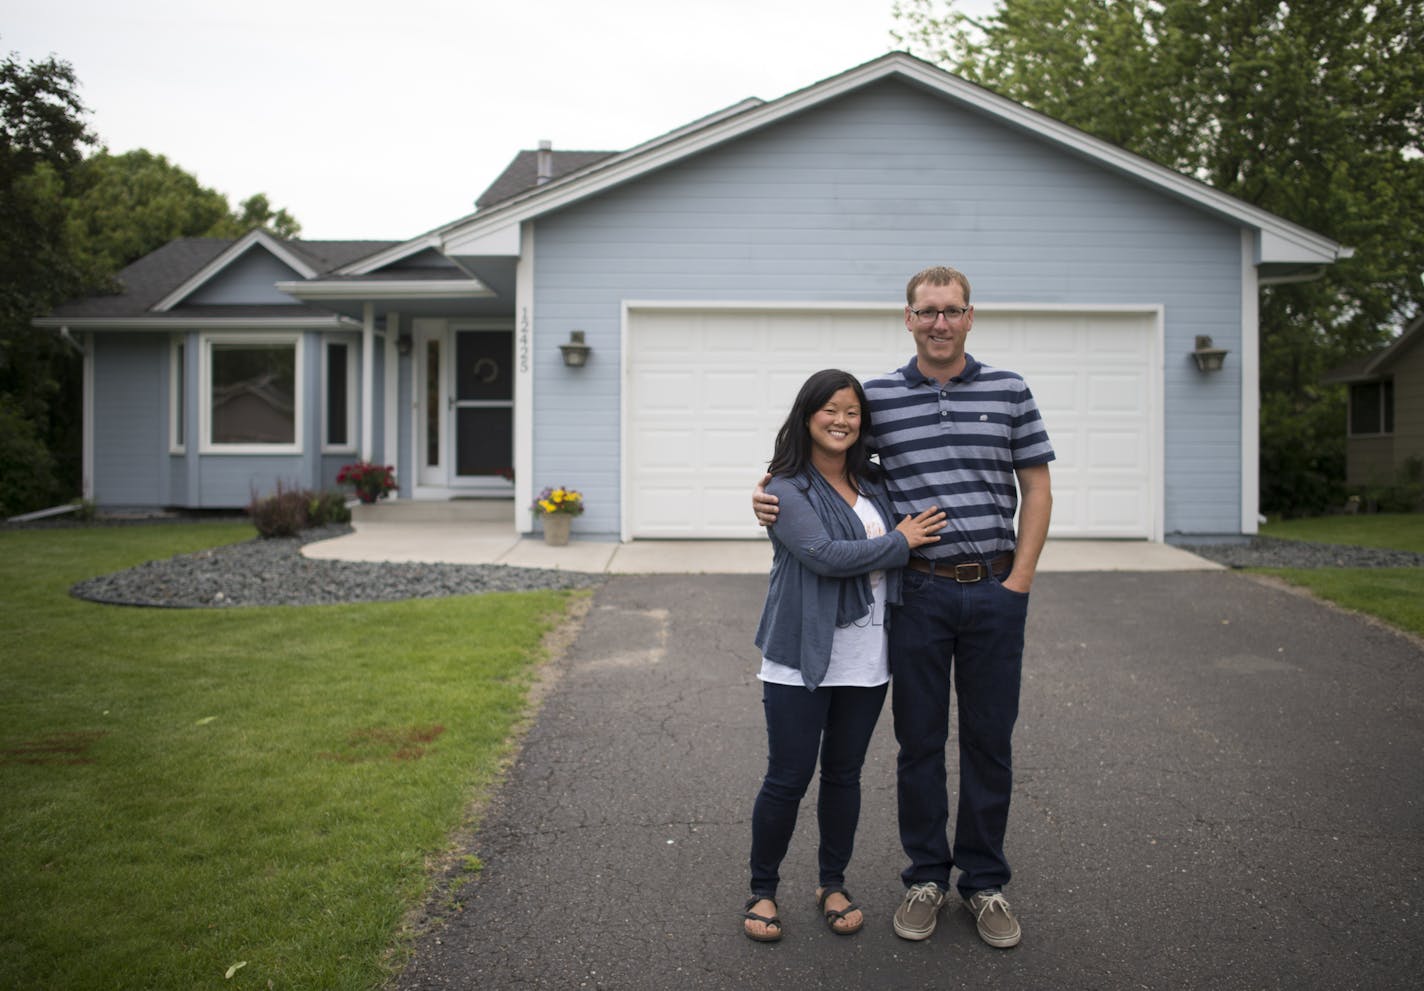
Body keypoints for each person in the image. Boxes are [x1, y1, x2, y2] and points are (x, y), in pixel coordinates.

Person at [753, 266, 1054, 949]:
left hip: (995, 591)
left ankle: (983, 882)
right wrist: (773, 488)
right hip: (916, 592)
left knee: (988, 741)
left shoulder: (1009, 390)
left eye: (951, 311)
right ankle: (925, 875)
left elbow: (1036, 487)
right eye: (927, 311)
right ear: (909, 319)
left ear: (970, 316)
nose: (939, 322)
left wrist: (1021, 582)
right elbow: (835, 458)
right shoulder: (879, 397)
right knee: (918, 744)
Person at [743, 368, 947, 943]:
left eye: (853, 412)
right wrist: (901, 542)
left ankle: (832, 882)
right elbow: (826, 555)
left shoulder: (877, 484)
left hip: (868, 656)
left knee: (844, 775)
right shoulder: (785, 488)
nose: (841, 421)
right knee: (788, 777)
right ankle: (762, 890)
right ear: (807, 417)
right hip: (800, 655)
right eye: (830, 410)